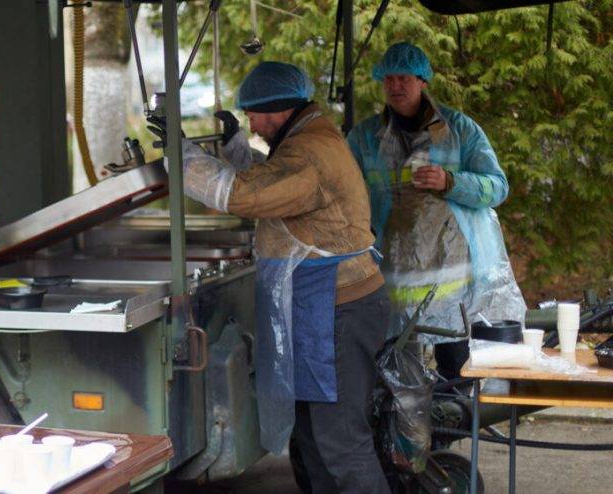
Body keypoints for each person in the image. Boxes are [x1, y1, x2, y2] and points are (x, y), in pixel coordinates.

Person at [156, 61, 390, 493]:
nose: (252, 122)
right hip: (326, 307)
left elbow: (245, 194)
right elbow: (274, 182)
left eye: (254, 115)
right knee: (313, 437)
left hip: (338, 310)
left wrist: (181, 155)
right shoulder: (305, 138)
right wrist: (234, 146)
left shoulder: (310, 151)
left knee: (340, 442)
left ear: (280, 109)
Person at [347, 42, 525, 378]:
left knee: (456, 364)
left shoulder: (460, 130)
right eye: (389, 79)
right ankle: (405, 428)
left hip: (451, 275)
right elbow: (342, 188)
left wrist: (450, 182)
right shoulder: (365, 138)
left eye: (404, 78)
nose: (395, 86)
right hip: (393, 271)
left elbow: (497, 187)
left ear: (423, 81)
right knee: (396, 367)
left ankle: (453, 424)